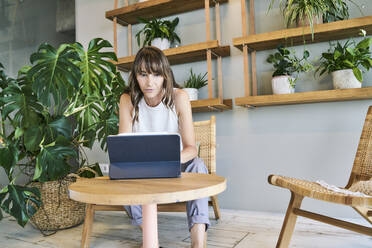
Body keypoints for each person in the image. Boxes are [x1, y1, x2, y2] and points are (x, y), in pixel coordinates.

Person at [118, 46, 210, 248]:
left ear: (165, 76)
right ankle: (152, 240)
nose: (149, 82)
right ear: (135, 76)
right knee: (121, 175)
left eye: (156, 75)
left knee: (198, 166)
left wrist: (171, 160)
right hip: (142, 171)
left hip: (176, 165)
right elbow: (123, 149)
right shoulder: (127, 100)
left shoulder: (179, 97)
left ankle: (198, 243)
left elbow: (191, 148)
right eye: (143, 74)